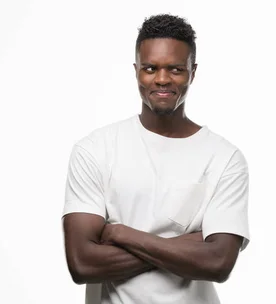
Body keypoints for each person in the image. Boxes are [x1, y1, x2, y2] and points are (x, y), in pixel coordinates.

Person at [61, 14, 250, 304]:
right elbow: (83, 264)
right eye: (150, 68)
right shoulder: (96, 149)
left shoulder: (224, 159)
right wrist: (187, 247)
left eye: (175, 69)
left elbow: (218, 263)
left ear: (192, 71)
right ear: (136, 70)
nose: (162, 79)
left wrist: (121, 234)